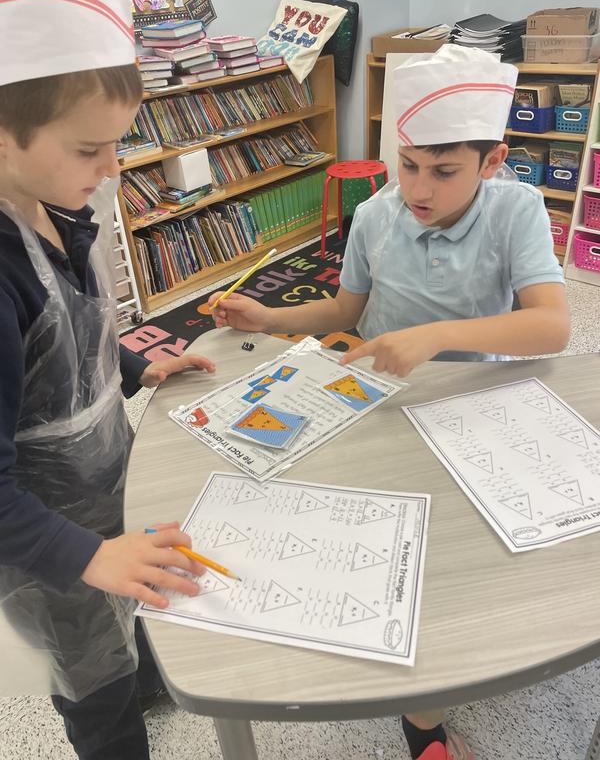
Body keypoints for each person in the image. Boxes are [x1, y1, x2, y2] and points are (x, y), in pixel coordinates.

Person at [209, 45, 571, 760]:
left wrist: (436, 335)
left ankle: (425, 716)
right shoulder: (375, 216)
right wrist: (270, 319)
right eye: (409, 165)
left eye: (444, 171)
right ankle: (406, 688)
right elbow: (347, 307)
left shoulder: (516, 211)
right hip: (380, 399)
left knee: (459, 565)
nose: (420, 189)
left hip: (469, 402)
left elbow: (552, 325)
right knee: (381, 542)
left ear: (492, 162)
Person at [0, 0, 214, 758]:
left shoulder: (55, 204)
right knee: (92, 676)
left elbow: (70, 329)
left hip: (104, 484)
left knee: (132, 611)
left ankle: (149, 680)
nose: (113, 168)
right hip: (46, 536)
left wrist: (132, 367)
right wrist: (87, 554)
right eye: (93, 148)